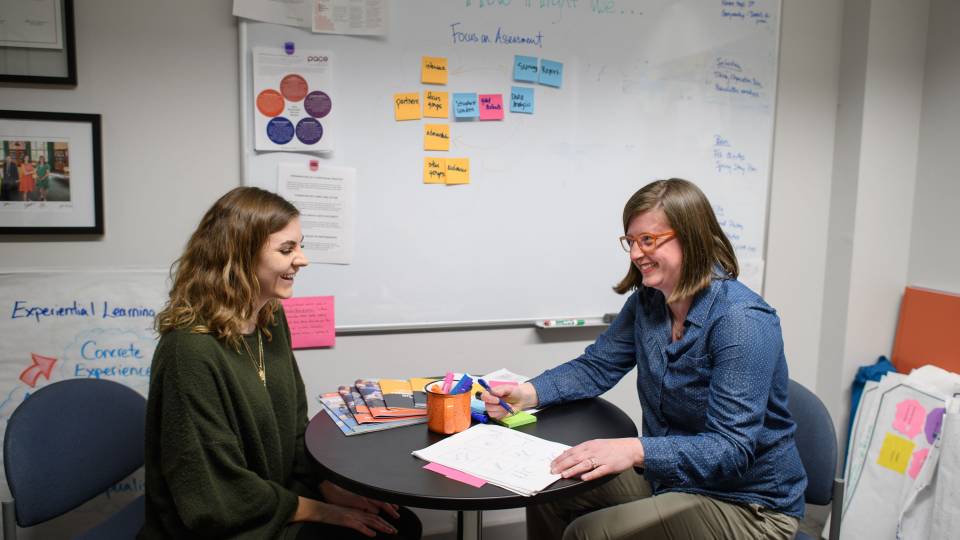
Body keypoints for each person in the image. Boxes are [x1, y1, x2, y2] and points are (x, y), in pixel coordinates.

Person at [481, 178, 806, 540]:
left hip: (747, 504)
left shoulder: (741, 321)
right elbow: (597, 366)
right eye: (631, 242)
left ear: (691, 237)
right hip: (670, 478)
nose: (636, 254)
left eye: (648, 240)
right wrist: (525, 393)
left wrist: (635, 449)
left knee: (587, 533)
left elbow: (731, 449)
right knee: (548, 486)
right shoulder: (648, 302)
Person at [141, 187, 422, 540]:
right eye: (287, 249)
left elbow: (292, 428)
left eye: (299, 246)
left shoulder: (269, 319)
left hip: (274, 497)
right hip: (226, 523)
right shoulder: (189, 353)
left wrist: (326, 486)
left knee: (399, 525)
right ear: (239, 255)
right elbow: (214, 493)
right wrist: (322, 510)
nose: (301, 259)